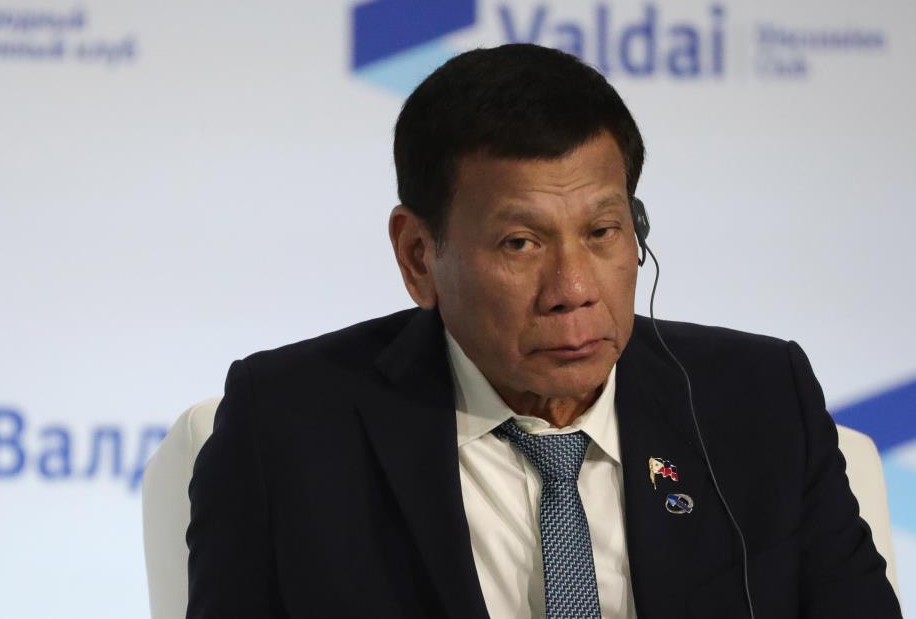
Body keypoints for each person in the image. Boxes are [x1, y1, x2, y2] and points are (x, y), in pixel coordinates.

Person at [185, 44, 901, 618]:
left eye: (602, 231)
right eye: (520, 243)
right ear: (418, 255)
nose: (573, 290)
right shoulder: (288, 425)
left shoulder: (759, 399)